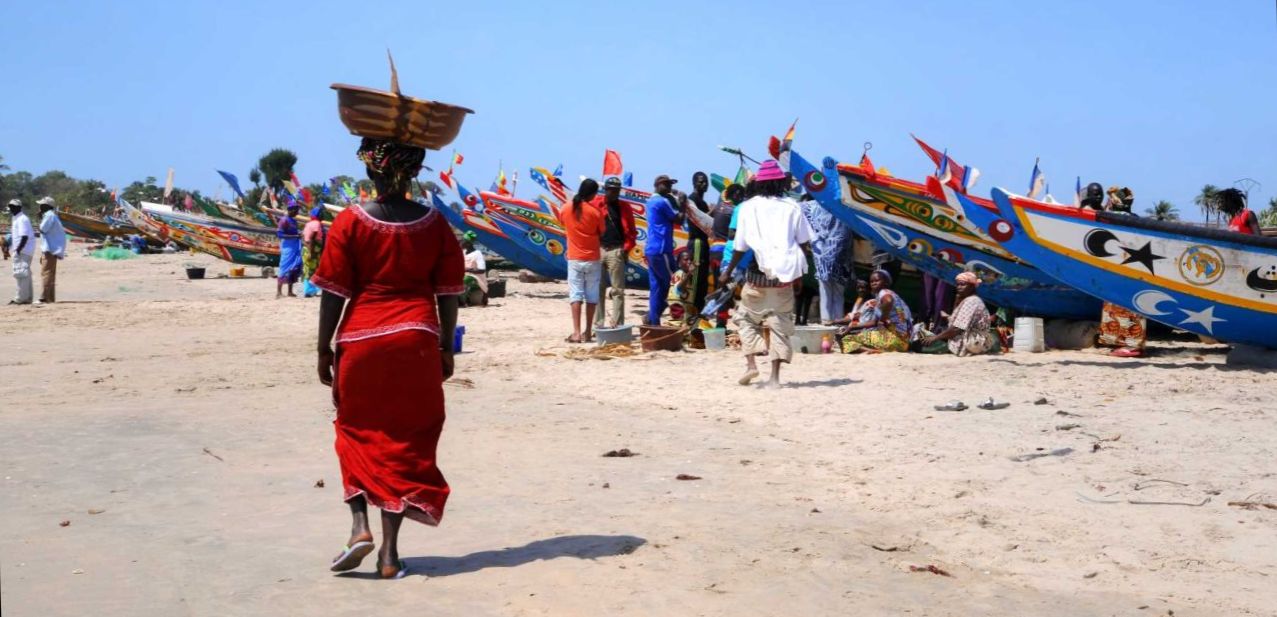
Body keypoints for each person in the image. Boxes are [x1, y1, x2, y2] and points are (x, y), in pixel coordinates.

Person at [314, 137, 464, 580]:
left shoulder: (350, 222)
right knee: (405, 440)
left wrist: (323, 348)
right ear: (415, 172)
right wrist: (445, 346)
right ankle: (389, 556)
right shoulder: (436, 225)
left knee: (355, 431)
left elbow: (332, 294)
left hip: (362, 340)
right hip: (416, 339)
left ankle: (360, 528)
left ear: (371, 172)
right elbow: (449, 292)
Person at [719, 160, 814, 389]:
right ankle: (774, 378)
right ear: (781, 182)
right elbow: (804, 245)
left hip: (756, 276)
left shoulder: (748, 207)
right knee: (779, 325)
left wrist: (727, 272)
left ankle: (751, 364)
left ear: (759, 184)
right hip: (785, 277)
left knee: (746, 318)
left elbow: (739, 246)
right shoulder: (793, 206)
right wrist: (800, 276)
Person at [559, 178, 605, 342]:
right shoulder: (595, 212)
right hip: (592, 258)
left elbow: (562, 221)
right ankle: (587, 332)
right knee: (592, 296)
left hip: (575, 258)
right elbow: (602, 232)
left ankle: (576, 333)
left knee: (575, 295)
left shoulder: (566, 208)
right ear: (592, 194)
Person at [801, 197, 855, 325]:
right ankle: (836, 325)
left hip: (822, 257)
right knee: (838, 295)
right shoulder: (846, 206)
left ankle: (826, 324)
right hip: (842, 256)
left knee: (825, 293)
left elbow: (799, 209)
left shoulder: (813, 206)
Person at [917, 272, 995, 355]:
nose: (959, 287)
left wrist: (935, 338)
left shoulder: (972, 302)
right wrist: (948, 316)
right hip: (968, 335)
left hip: (971, 341)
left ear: (972, 286)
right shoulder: (969, 300)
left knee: (919, 345)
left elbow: (957, 328)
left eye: (962, 284)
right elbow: (962, 322)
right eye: (958, 285)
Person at [593, 176, 636, 329]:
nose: (615, 193)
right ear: (606, 190)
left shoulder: (625, 207)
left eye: (617, 190)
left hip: (616, 250)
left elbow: (632, 231)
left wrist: (626, 248)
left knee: (618, 290)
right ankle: (598, 324)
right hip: (599, 249)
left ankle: (617, 323)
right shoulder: (596, 203)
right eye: (612, 190)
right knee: (598, 288)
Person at [839, 269, 913, 353]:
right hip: (903, 343)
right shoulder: (892, 296)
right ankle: (876, 349)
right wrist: (852, 326)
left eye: (877, 280)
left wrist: (882, 319)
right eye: (871, 281)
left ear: (886, 283)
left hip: (893, 339)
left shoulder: (884, 292)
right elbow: (874, 322)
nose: (874, 283)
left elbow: (888, 301)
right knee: (860, 334)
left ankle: (873, 351)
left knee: (846, 340)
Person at [643, 175, 683, 325]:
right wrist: (683, 203)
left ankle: (654, 320)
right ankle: (667, 317)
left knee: (656, 288)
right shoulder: (661, 201)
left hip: (651, 249)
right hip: (662, 250)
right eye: (666, 185)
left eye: (670, 185)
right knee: (674, 284)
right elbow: (679, 218)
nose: (669, 188)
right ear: (658, 185)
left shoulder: (650, 201)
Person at [684, 172, 714, 316]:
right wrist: (714, 211)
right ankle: (692, 313)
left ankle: (699, 312)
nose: (704, 184)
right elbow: (699, 222)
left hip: (703, 242)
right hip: (697, 242)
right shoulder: (692, 200)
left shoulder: (701, 202)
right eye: (701, 182)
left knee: (702, 280)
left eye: (706, 182)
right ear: (694, 183)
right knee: (696, 279)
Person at [36, 197, 67, 304]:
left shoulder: (49, 216)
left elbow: (42, 229)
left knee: (46, 273)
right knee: (50, 274)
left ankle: (44, 297)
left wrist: (39, 218)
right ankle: (50, 298)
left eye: (41, 205)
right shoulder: (52, 215)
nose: (39, 207)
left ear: (46, 206)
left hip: (50, 249)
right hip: (53, 248)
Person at [7, 199, 34, 305]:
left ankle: (20, 299)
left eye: (13, 206)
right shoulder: (16, 218)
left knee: (20, 274)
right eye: (10, 206)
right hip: (24, 250)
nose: (11, 208)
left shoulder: (22, 219)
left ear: (19, 207)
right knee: (26, 275)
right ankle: (27, 298)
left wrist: (18, 250)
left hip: (23, 250)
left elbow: (24, 236)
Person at [276, 204, 303, 298]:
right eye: (296, 210)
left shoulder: (294, 221)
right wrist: (295, 236)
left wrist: (299, 234)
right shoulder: (284, 220)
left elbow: (295, 233)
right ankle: (279, 292)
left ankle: (290, 291)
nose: (297, 212)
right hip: (287, 247)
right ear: (290, 210)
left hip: (295, 246)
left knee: (293, 268)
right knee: (284, 268)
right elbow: (280, 235)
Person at [302, 206, 326, 298]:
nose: (323, 215)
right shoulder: (317, 224)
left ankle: (306, 290)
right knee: (313, 270)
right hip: (312, 249)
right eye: (321, 213)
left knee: (306, 270)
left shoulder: (309, 223)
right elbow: (312, 238)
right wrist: (311, 252)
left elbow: (304, 237)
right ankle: (310, 291)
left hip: (306, 248)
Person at [461, 234, 488, 307]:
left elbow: (481, 270)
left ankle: (464, 301)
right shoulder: (463, 252)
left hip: (475, 276)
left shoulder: (477, 254)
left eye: (463, 241)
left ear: (469, 243)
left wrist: (468, 270)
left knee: (463, 280)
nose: (461, 243)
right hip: (465, 274)